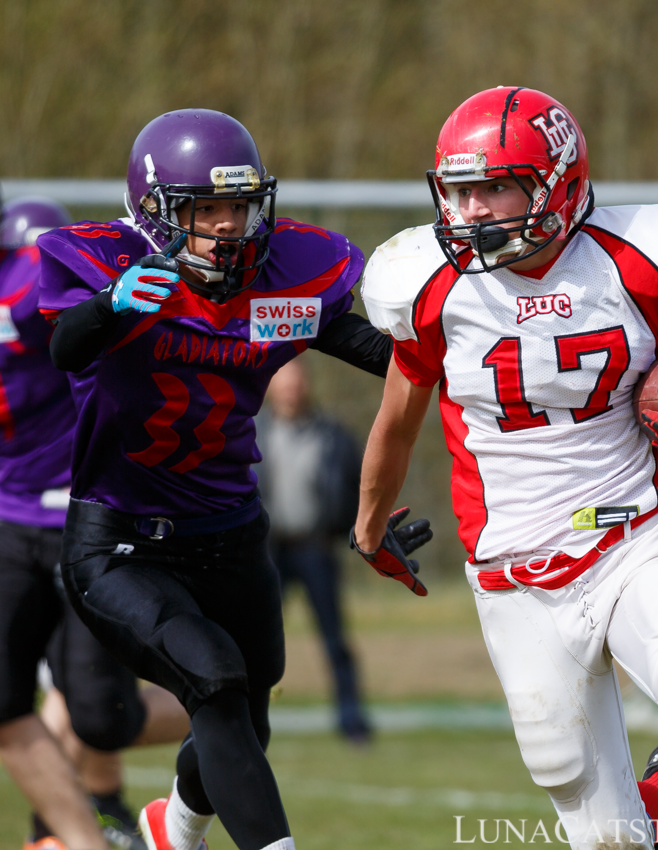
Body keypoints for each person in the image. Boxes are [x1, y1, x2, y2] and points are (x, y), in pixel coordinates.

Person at [352, 87, 658, 850]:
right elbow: (395, 424)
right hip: (512, 572)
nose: (470, 212)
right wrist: (369, 529)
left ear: (556, 180)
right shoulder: (428, 285)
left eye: (492, 187)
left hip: (632, 535)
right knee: (605, 837)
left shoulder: (639, 262)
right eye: (457, 192)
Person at [36, 109, 427, 850]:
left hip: (230, 531)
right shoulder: (111, 270)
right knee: (212, 680)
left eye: (236, 206)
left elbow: (397, 359)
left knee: (248, 716)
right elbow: (64, 346)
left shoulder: (281, 278)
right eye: (203, 209)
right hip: (122, 538)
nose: (226, 227)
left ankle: (172, 832)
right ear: (155, 213)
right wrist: (110, 307)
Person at [0, 195, 190, 850]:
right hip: (9, 514)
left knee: (98, 715)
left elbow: (65, 305)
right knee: (8, 702)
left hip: (83, 512)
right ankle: (87, 839)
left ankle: (224, 703)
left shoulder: (30, 272)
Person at [256, 358, 371, 742]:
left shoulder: (333, 434)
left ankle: (352, 720)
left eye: (297, 380)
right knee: (257, 640)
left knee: (335, 639)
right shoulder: (250, 434)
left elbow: (358, 486)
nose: (292, 388)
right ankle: (247, 720)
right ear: (271, 386)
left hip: (316, 549)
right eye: (284, 381)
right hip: (266, 552)